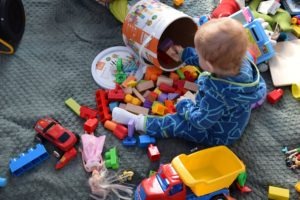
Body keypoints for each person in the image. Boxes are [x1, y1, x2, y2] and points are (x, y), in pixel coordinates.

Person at [112, 17, 267, 145]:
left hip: (217, 134)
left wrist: (184, 106)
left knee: (176, 123)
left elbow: (201, 122)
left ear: (209, 65)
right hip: (236, 109)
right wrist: (185, 54)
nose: (197, 57)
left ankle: (138, 121)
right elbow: (208, 62)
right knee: (222, 81)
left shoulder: (217, 94)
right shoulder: (243, 60)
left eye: (198, 55)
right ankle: (244, 103)